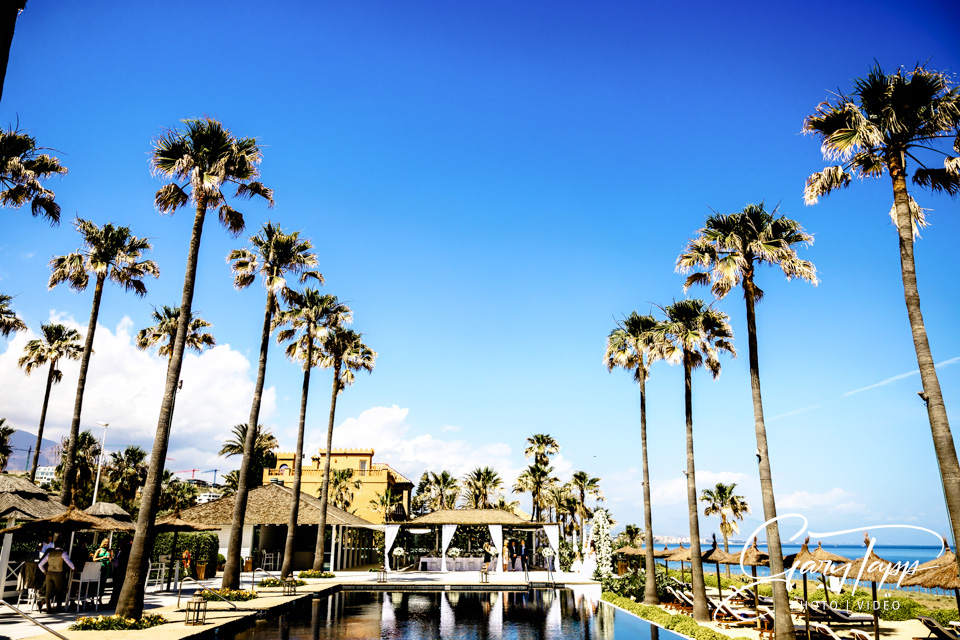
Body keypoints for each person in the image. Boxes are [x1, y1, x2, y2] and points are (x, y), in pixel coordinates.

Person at [38, 545, 74, 613]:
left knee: (48, 592)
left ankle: (48, 608)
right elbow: (68, 562)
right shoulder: (63, 553)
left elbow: (40, 565)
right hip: (58, 573)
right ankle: (58, 608)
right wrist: (73, 567)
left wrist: (44, 572)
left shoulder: (50, 553)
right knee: (59, 591)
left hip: (49, 573)